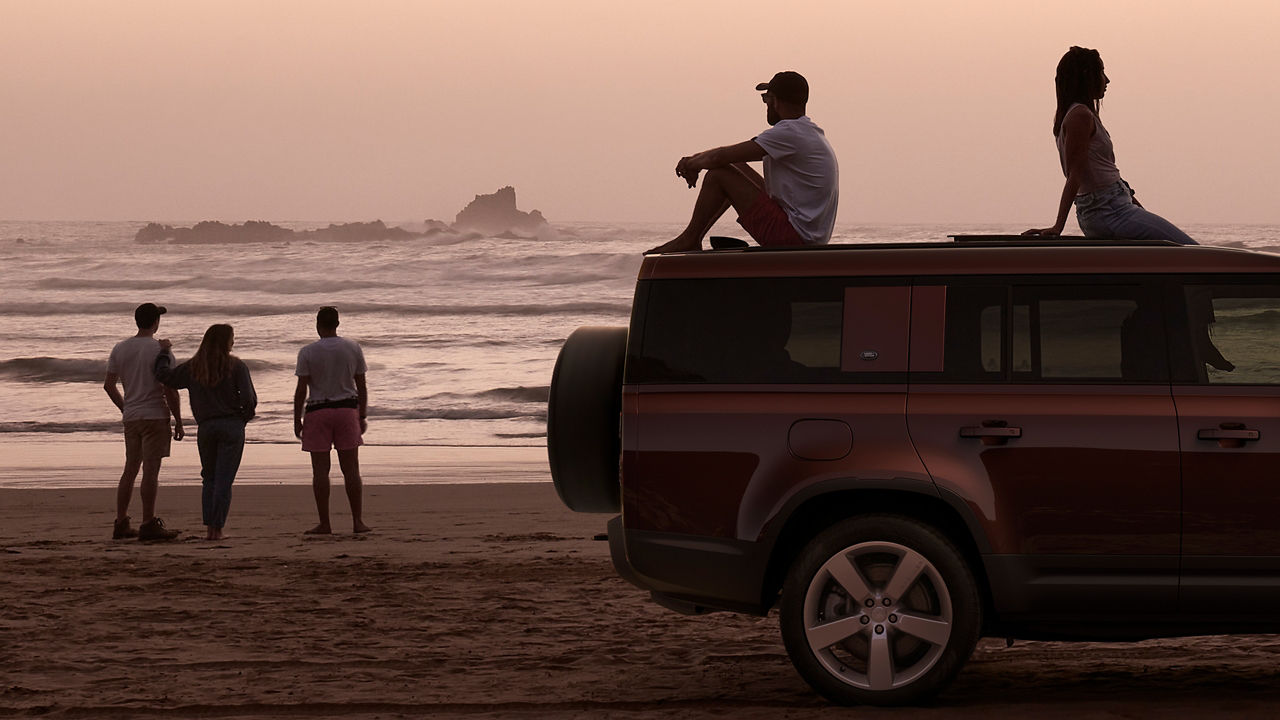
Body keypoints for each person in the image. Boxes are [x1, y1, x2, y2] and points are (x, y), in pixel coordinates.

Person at [648, 70, 839, 254]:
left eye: (766, 99)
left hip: (793, 238)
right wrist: (695, 160)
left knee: (718, 175)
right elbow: (729, 157)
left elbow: (719, 157)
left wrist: (690, 164)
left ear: (775, 101)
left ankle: (690, 238)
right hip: (806, 237)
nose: (765, 105)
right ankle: (693, 238)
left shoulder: (789, 131)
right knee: (735, 165)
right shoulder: (808, 132)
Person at [1024, 46, 1196, 244]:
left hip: (1112, 208)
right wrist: (1058, 226)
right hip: (1110, 212)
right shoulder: (1080, 116)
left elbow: (1103, 173)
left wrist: (1140, 211)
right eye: (1102, 72)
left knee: (1169, 249)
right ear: (1086, 76)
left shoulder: (1077, 115)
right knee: (1191, 250)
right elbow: (1075, 175)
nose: (1107, 80)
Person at [154, 324, 257, 541]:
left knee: (209, 478)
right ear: (225, 342)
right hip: (231, 424)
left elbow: (166, 377)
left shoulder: (195, 366)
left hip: (206, 427)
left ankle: (210, 528)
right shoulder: (236, 366)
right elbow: (249, 399)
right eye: (232, 338)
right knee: (224, 480)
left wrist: (164, 353)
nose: (233, 342)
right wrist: (243, 418)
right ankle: (217, 529)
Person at [104, 302, 184, 541]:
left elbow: (109, 385)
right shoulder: (160, 351)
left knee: (130, 469)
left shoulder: (120, 348)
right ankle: (148, 522)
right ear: (155, 323)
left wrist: (125, 407)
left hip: (132, 416)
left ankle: (121, 521)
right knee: (150, 471)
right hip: (155, 415)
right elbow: (169, 388)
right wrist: (179, 420)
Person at [294, 306, 370, 534]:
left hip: (318, 411)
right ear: (337, 323)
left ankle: (325, 523)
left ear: (318, 325)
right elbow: (361, 385)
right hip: (346, 410)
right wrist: (362, 414)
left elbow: (301, 389)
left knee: (320, 471)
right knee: (351, 469)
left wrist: (297, 418)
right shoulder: (352, 347)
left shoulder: (307, 352)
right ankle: (357, 521)